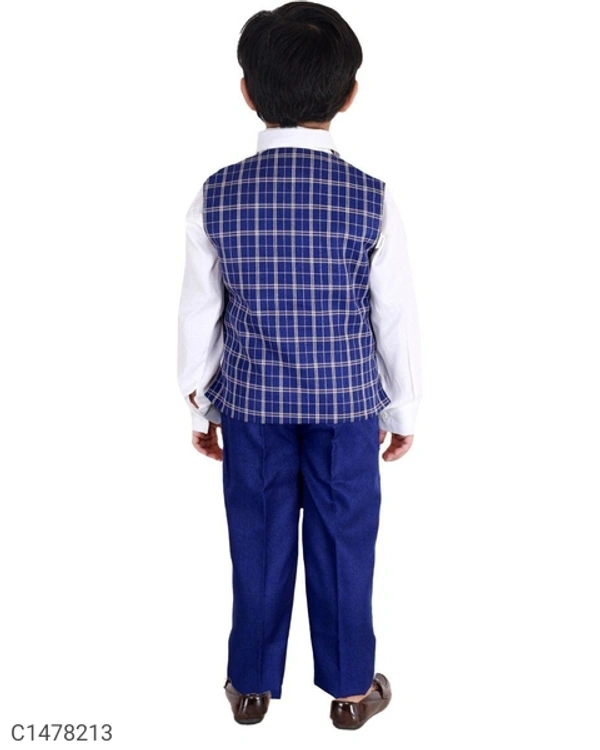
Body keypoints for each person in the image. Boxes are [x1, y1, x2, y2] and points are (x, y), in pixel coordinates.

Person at [177, 1, 422, 730]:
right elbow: (394, 315)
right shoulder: (371, 198)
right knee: (346, 542)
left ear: (247, 91)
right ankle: (350, 691)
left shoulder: (216, 195)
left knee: (256, 538)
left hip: (252, 406)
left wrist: (199, 403)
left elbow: (200, 312)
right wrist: (403, 408)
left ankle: (250, 685)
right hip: (348, 409)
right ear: (350, 95)